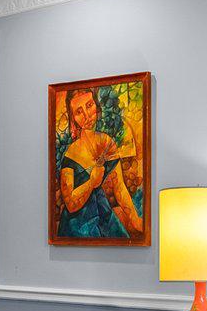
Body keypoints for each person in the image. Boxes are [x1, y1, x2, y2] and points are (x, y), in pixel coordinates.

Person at [56, 86, 144, 240]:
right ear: (73, 118)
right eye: (78, 111)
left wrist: (136, 221)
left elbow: (120, 188)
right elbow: (70, 204)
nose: (86, 115)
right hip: (78, 226)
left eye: (89, 105)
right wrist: (91, 182)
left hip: (104, 215)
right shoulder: (71, 154)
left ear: (96, 104)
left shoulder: (107, 142)